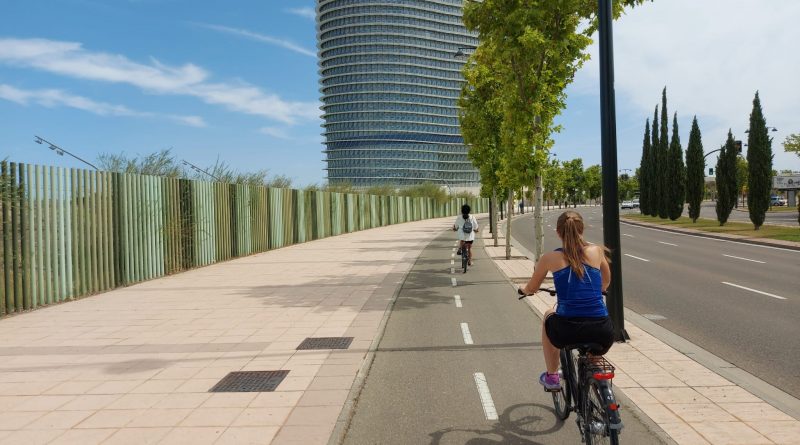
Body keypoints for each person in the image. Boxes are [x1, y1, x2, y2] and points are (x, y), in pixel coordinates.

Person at [518, 210, 614, 391]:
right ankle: (602, 395)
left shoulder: (549, 258)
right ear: (583, 229)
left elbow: (532, 288)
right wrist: (597, 290)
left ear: (558, 232)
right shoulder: (596, 251)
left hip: (567, 329)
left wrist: (525, 290)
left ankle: (552, 376)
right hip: (603, 330)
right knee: (594, 356)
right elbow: (606, 281)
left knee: (548, 315)